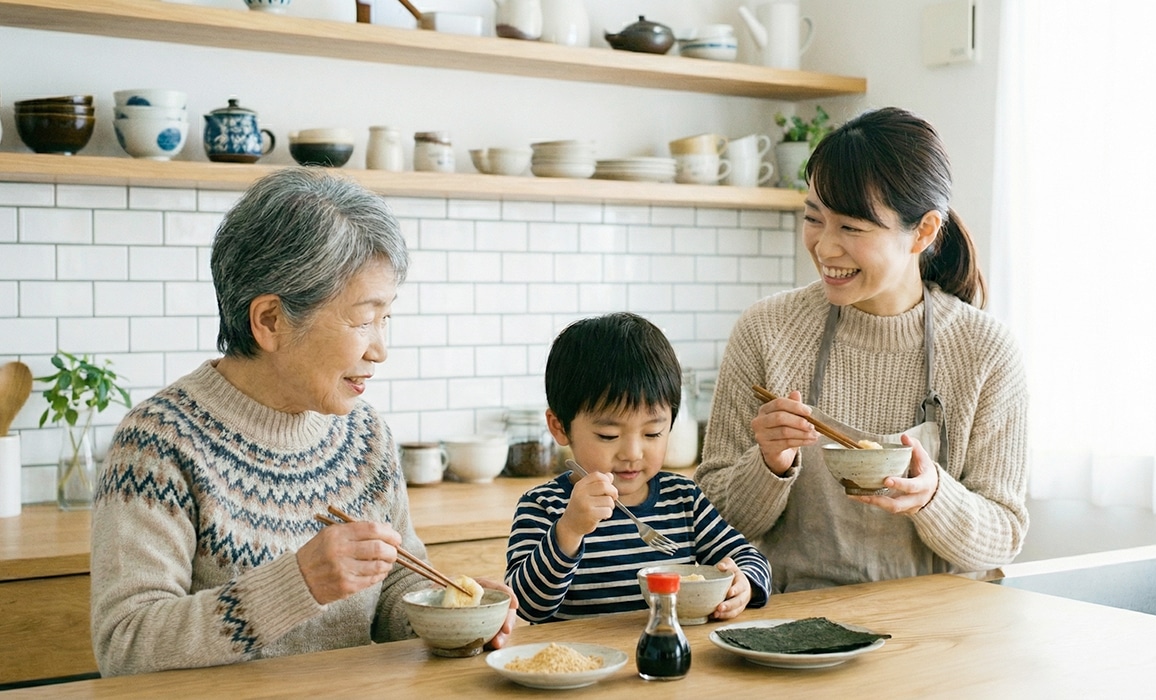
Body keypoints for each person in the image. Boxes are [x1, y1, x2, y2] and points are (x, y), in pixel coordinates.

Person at [90, 168, 515, 677]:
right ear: (270, 320)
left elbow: (396, 591)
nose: (380, 349)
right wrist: (297, 584)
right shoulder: (158, 444)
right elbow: (127, 646)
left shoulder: (365, 436)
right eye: (363, 319)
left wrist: (452, 612)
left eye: (387, 318)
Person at [694, 107, 1030, 592]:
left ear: (924, 231)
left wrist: (933, 496)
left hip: (937, 634)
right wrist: (768, 463)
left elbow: (1004, 535)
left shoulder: (986, 351)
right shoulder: (767, 330)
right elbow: (712, 522)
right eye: (814, 219)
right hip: (796, 625)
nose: (825, 248)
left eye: (851, 228)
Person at [505, 312, 771, 623]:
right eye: (609, 435)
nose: (632, 453)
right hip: (583, 665)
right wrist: (568, 530)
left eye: (652, 433)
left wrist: (744, 584)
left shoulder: (684, 500)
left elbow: (750, 558)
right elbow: (526, 605)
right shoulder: (543, 507)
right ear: (559, 426)